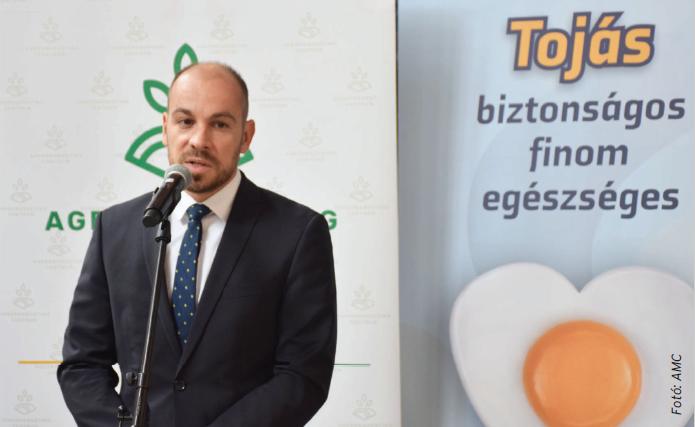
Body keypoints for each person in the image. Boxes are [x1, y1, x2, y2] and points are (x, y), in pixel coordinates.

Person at [57, 62, 337, 427]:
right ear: (165, 128)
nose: (199, 140)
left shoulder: (297, 233)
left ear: (246, 136)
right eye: (185, 121)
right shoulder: (116, 228)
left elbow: (302, 375)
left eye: (220, 124)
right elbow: (82, 364)